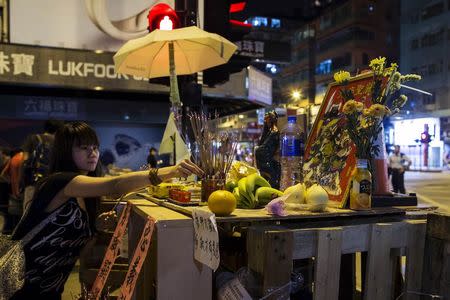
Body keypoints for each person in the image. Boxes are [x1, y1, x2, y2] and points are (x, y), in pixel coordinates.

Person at [10, 121, 203, 299]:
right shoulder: (58, 182)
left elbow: (74, 244)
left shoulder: (84, 196)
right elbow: (116, 184)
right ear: (65, 152)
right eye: (83, 148)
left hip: (50, 288)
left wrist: (97, 225)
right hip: (22, 286)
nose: (92, 153)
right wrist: (170, 171)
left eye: (95, 147)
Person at [21, 119, 64, 210]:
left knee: (28, 210)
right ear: (58, 130)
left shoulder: (33, 138)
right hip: (52, 183)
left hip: (33, 181)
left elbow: (25, 160)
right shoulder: (59, 143)